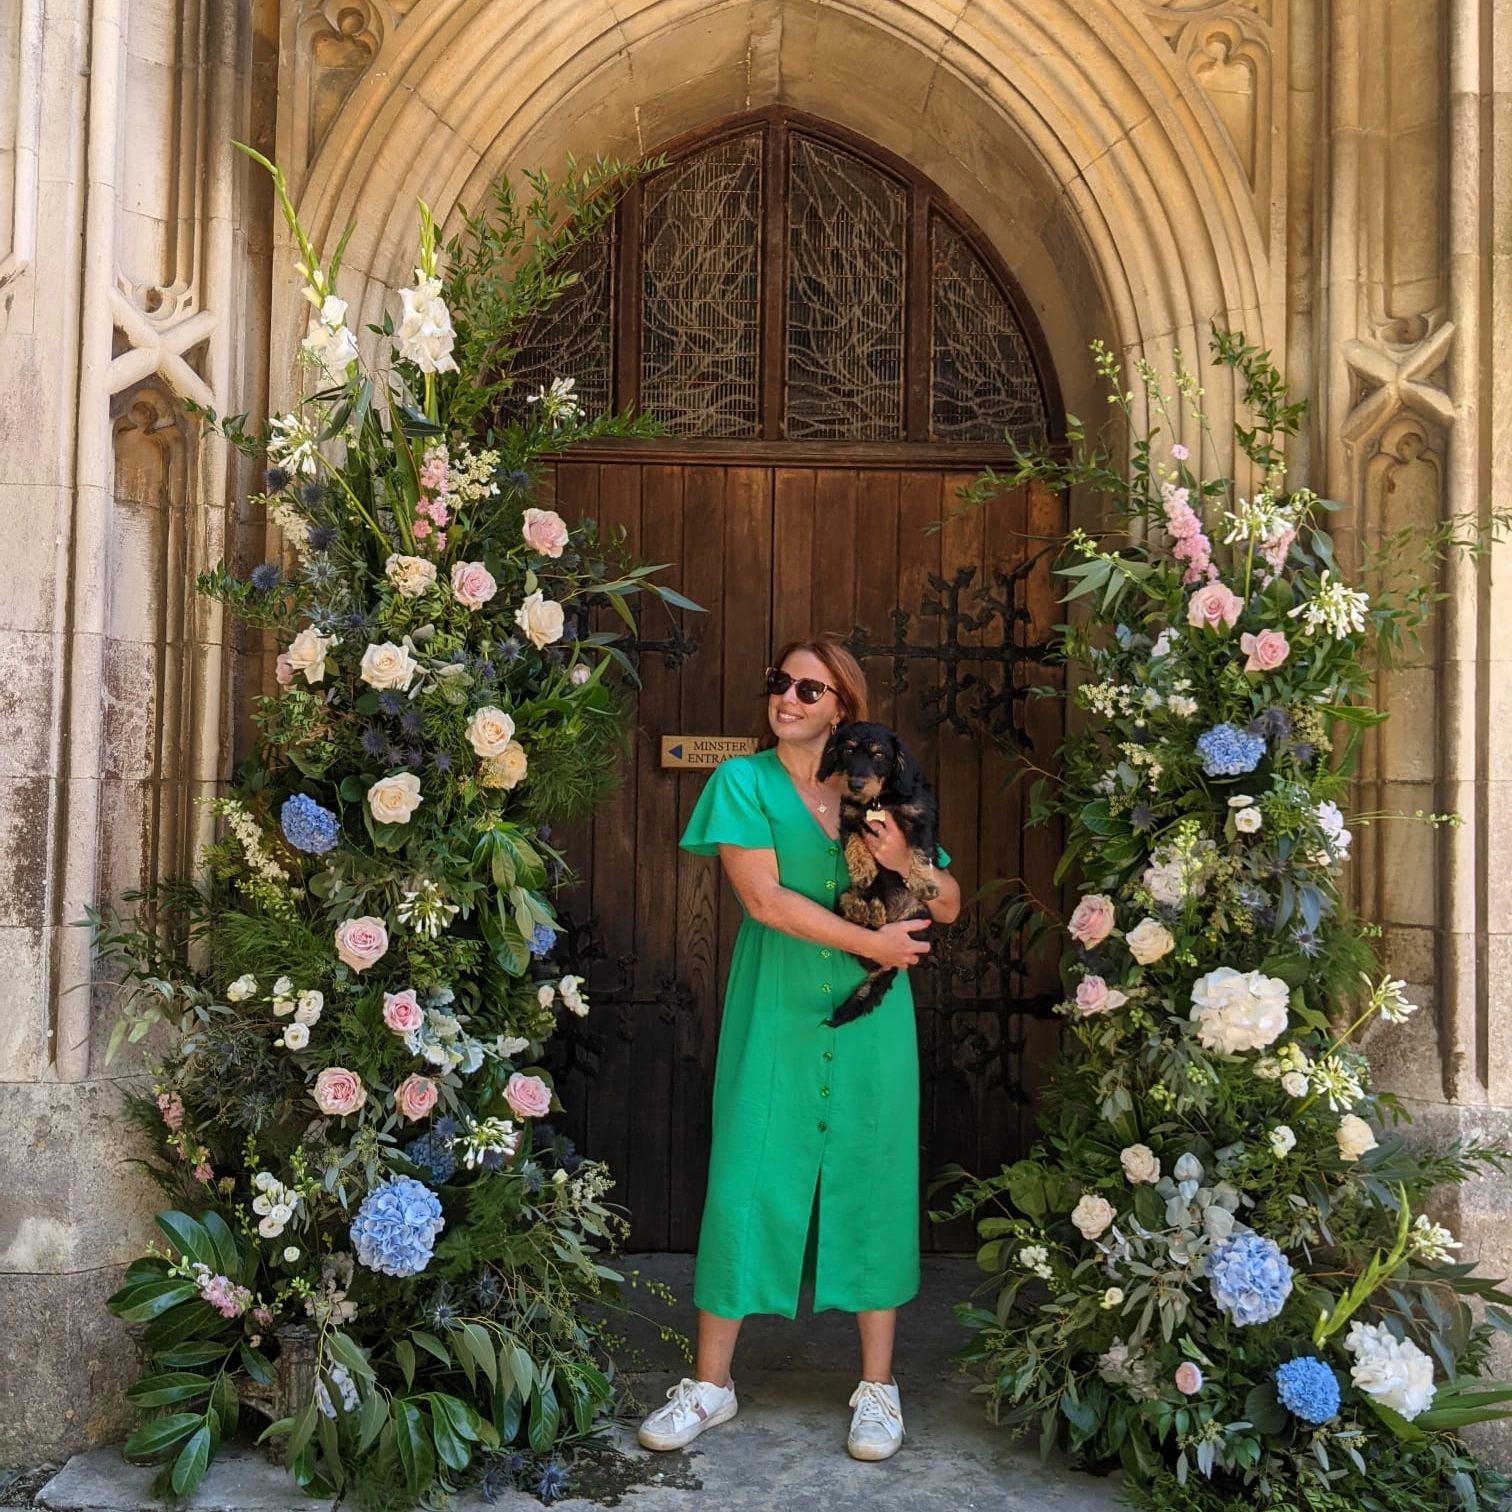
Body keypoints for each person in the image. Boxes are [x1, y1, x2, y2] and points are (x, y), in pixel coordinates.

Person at [636, 634, 961, 1462]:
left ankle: (878, 1391)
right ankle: (711, 1386)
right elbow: (764, 900)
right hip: (777, 1006)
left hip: (872, 1020)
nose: (789, 699)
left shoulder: (882, 791)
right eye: (780, 683)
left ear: (844, 711)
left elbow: (951, 903)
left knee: (873, 1173)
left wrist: (903, 864)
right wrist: (882, 947)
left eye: (811, 691)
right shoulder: (742, 781)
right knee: (748, 1171)